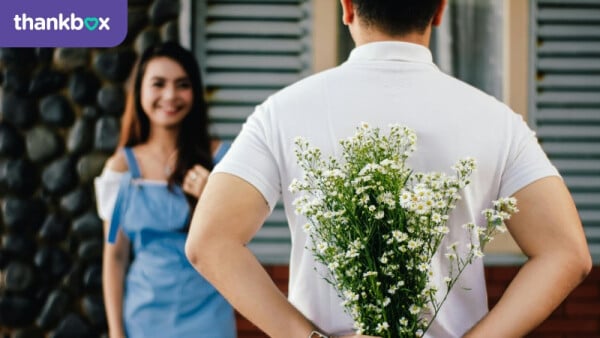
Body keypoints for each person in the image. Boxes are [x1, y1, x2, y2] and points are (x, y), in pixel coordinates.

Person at [185, 0, 592, 337]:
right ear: (439, 11)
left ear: (346, 8)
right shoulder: (497, 120)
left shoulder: (282, 112)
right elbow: (568, 254)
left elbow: (209, 243)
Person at [94, 42, 236, 338]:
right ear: (140, 92)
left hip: (209, 316)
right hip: (143, 319)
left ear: (194, 93)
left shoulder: (223, 160)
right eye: (158, 84)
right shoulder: (120, 168)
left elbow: (238, 243)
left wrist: (212, 197)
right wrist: (116, 331)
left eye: (182, 85)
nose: (170, 95)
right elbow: (115, 255)